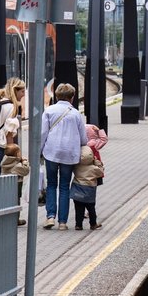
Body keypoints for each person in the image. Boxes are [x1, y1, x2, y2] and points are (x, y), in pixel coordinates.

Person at [39, 83, 86, 230]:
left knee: (52, 184)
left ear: (57, 96)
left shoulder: (49, 111)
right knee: (64, 186)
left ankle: (50, 216)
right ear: (72, 98)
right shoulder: (76, 113)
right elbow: (83, 139)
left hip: (51, 152)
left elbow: (42, 134)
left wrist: (39, 151)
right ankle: (63, 222)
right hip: (69, 154)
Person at [71, 145, 104, 230]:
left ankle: (78, 225)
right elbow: (101, 172)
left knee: (78, 208)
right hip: (89, 190)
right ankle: (93, 224)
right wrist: (98, 163)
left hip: (77, 188)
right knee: (91, 207)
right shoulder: (93, 168)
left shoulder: (77, 166)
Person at [0, 142, 30, 226]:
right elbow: (26, 171)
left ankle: (5, 219)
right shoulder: (17, 166)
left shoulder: (4, 162)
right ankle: (15, 220)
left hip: (5, 188)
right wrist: (24, 162)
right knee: (16, 203)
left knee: (6, 203)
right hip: (16, 187)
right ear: (17, 154)